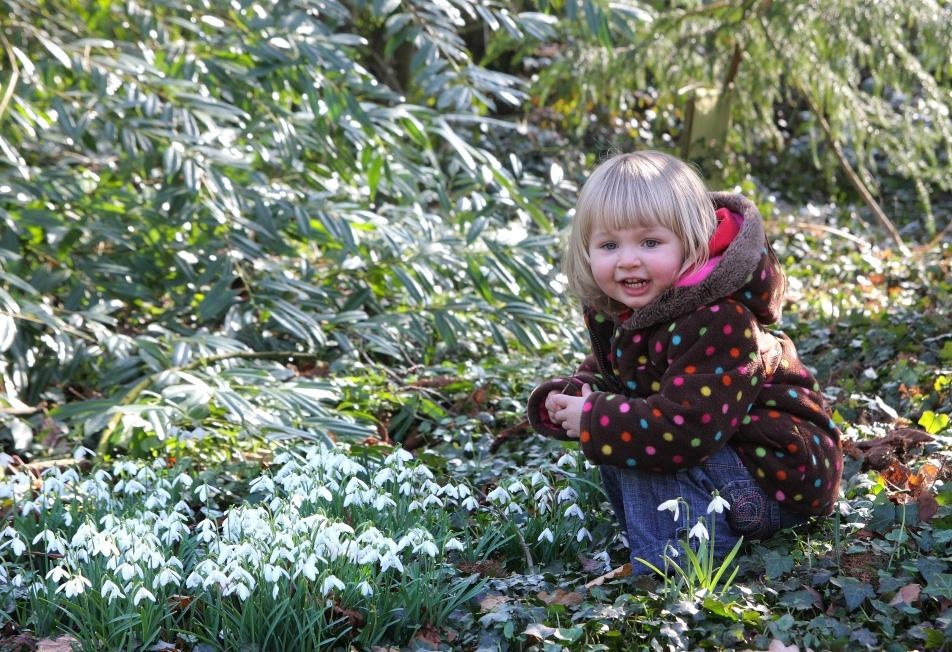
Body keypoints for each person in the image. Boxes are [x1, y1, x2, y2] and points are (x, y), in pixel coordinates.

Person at [527, 151, 843, 574]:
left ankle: (682, 570)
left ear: (692, 242)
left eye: (650, 242)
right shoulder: (633, 309)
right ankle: (664, 543)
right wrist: (575, 396)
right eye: (608, 245)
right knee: (621, 430)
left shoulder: (718, 319)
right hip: (731, 461)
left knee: (639, 438)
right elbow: (615, 372)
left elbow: (688, 428)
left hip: (777, 479)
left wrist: (600, 418)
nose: (627, 259)